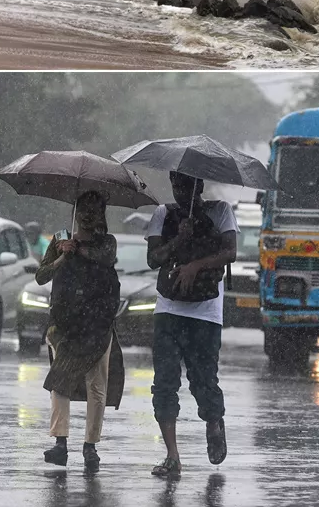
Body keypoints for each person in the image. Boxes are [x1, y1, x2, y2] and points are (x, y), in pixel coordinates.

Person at [145, 171, 238, 480]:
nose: (180, 191)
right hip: (168, 311)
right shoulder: (164, 214)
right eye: (175, 184)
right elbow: (153, 258)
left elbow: (231, 252)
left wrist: (196, 265)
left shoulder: (220, 211)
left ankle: (214, 422)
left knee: (203, 380)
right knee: (165, 383)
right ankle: (172, 456)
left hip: (205, 314)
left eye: (186, 185)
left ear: (201, 185)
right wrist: (179, 240)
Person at [36, 190, 125, 472]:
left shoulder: (107, 243)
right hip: (64, 324)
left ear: (101, 214)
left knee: (96, 386)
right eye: (82, 208)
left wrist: (80, 249)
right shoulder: (59, 239)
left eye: (94, 209)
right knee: (59, 380)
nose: (87, 214)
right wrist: (62, 255)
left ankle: (90, 447)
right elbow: (41, 276)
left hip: (98, 325)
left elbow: (104, 259)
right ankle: (60, 444)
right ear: (75, 211)